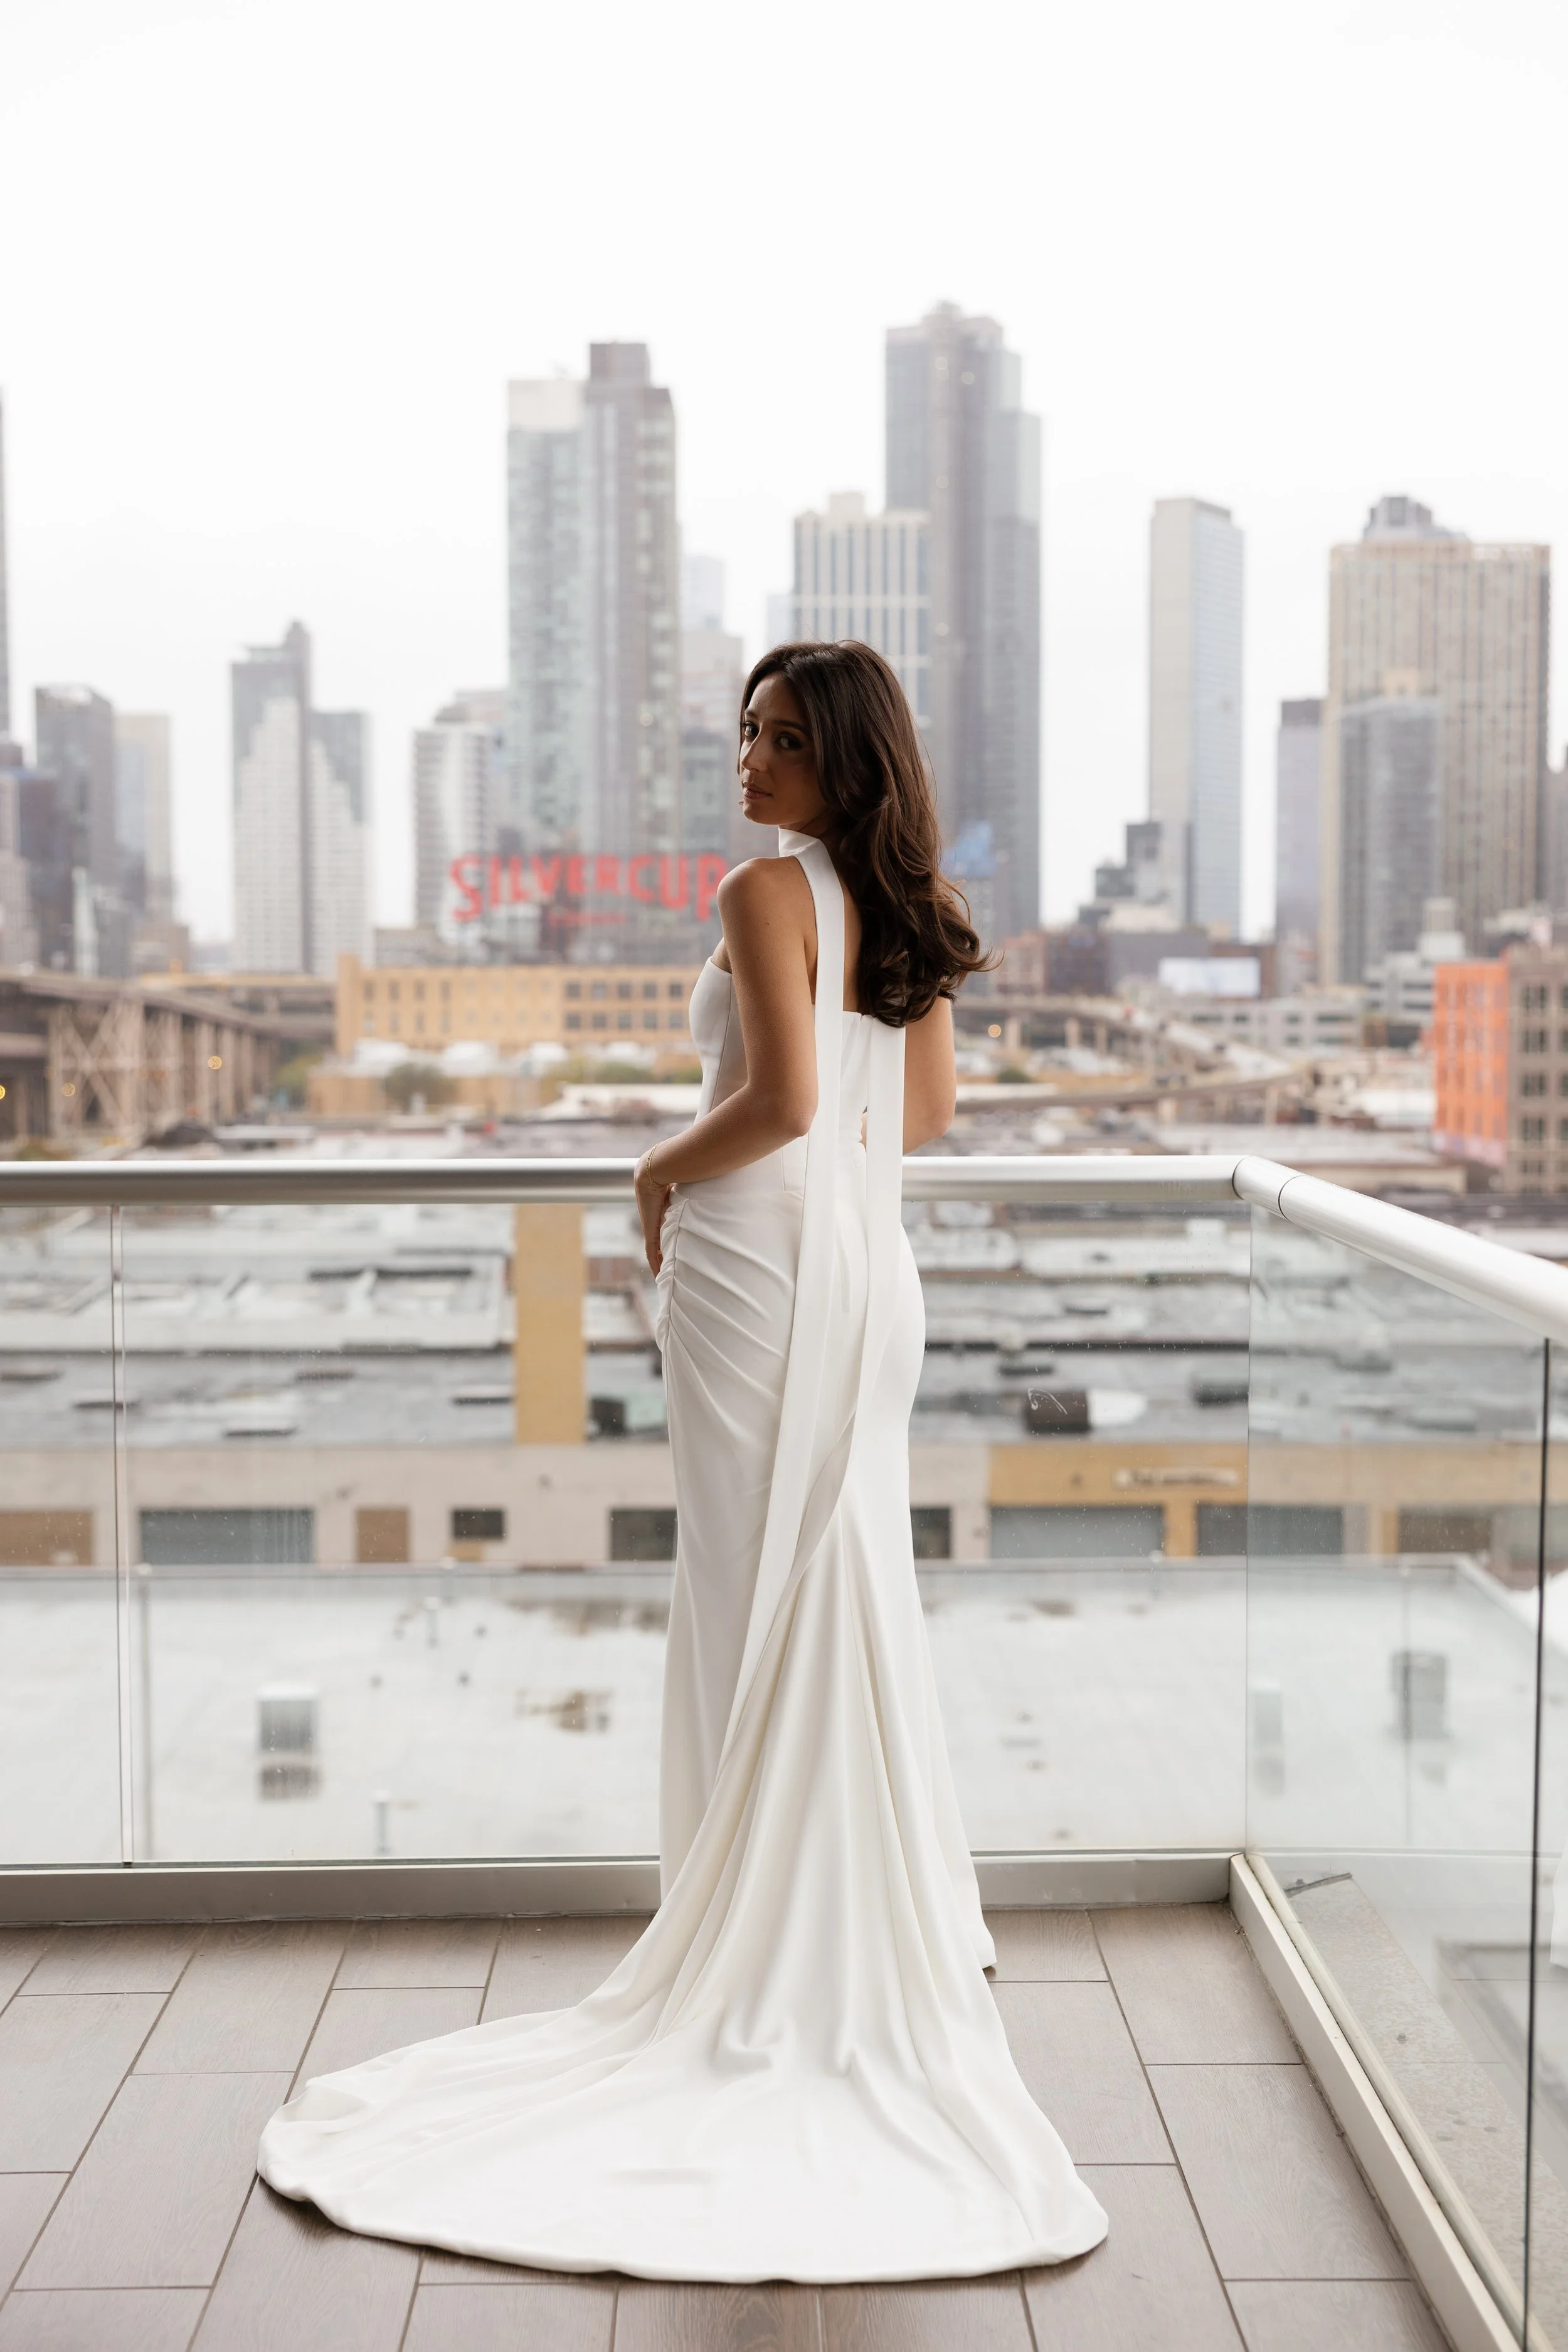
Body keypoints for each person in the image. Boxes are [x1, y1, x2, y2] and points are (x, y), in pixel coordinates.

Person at [258, 642, 1108, 2282]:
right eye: (743, 730)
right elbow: (907, 1118)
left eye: (781, 737)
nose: (748, 757)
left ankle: (758, 1946)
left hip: (758, 1274)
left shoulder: (762, 893)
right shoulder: (898, 905)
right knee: (829, 1592)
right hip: (866, 1283)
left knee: (750, 1602)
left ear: (841, 760)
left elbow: (780, 1101)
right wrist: (789, 1135)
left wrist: (657, 1158)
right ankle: (837, 1934)